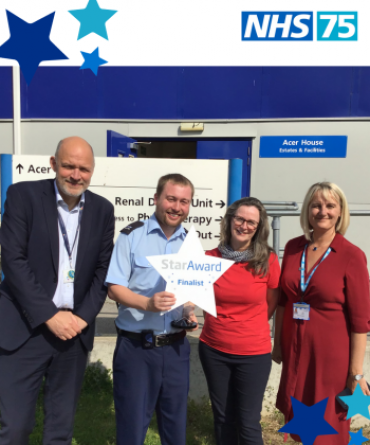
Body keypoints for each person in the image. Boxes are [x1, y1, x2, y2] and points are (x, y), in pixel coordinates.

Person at [0, 137, 115, 445]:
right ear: (53, 164)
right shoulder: (23, 195)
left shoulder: (103, 210)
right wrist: (49, 315)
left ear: (92, 172)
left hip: (74, 333)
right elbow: (12, 259)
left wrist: (83, 317)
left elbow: (104, 269)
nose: (75, 174)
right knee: (14, 427)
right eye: (68, 166)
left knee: (60, 430)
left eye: (84, 169)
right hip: (26, 328)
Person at [273, 182, 370, 445]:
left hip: (330, 359)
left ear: (340, 212)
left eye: (330, 205)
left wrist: (356, 371)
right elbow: (283, 300)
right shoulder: (293, 248)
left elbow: (361, 322)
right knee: (302, 425)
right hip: (295, 351)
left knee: (328, 428)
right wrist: (277, 343)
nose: (322, 211)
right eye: (316, 205)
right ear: (307, 210)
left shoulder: (352, 255)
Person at [106, 173, 198, 445]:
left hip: (176, 350)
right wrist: (147, 303)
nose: (176, 207)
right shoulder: (131, 236)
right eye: (171, 199)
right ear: (156, 198)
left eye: (184, 201)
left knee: (175, 431)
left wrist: (188, 310)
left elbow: (190, 291)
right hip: (137, 350)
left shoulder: (191, 243)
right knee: (132, 430)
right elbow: (114, 289)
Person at [199, 197, 280, 445]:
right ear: (229, 220)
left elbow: (271, 303)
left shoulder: (268, 260)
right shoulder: (207, 257)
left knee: (248, 421)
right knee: (223, 417)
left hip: (253, 353)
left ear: (259, 228)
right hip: (214, 349)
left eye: (251, 223)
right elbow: (194, 297)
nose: (244, 226)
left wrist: (246, 326)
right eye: (240, 219)